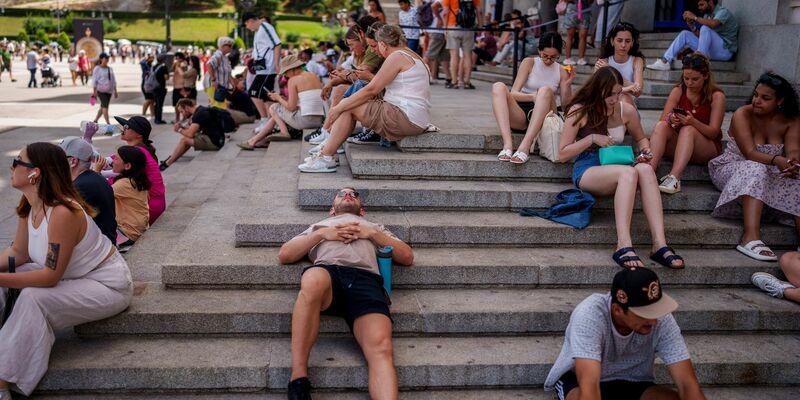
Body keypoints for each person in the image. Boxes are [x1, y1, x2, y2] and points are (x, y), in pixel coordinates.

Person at [0, 142, 132, 398]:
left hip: (106, 285)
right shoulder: (30, 204)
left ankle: (3, 380)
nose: (11, 166)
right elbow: (18, 253)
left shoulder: (62, 212)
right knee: (9, 283)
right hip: (74, 277)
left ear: (34, 173)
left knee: (32, 296)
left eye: (18, 161)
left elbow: (50, 277)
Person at [278, 187, 414, 400]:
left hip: (365, 280)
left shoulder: (374, 227)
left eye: (354, 194)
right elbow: (285, 254)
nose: (348, 195)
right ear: (332, 210)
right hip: (327, 276)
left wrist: (373, 234)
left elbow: (407, 256)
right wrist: (322, 234)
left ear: (362, 211)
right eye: (342, 194)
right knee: (312, 279)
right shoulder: (319, 226)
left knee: (382, 346)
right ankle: (298, 378)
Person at [558, 67, 685, 269]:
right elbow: (562, 153)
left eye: (618, 92)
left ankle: (659, 244)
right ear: (597, 90)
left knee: (645, 169)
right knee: (629, 172)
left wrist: (646, 151)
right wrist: (591, 138)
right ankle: (623, 245)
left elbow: (641, 138)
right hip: (589, 167)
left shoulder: (626, 110)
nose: (615, 98)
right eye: (610, 93)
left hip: (619, 164)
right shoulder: (579, 110)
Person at [544, 267, 706, 400]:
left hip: (635, 382)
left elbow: (687, 384)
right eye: (645, 314)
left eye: (655, 310)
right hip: (581, 381)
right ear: (617, 309)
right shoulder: (589, 315)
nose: (654, 321)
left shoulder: (662, 319)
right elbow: (589, 388)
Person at [299, 25, 432, 173]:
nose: (374, 51)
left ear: (382, 44)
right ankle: (328, 151)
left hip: (406, 117)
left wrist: (338, 108)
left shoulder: (397, 56)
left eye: (375, 46)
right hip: (414, 117)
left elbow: (372, 89)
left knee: (348, 107)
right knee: (348, 104)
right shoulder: (411, 54)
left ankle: (327, 156)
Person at [708, 72, 800, 262]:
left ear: (780, 101)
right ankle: (750, 237)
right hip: (734, 167)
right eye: (756, 95)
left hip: (770, 171)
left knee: (797, 176)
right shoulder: (743, 113)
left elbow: (793, 150)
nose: (757, 100)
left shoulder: (791, 121)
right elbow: (750, 153)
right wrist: (777, 160)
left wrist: (792, 163)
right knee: (755, 167)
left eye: (765, 98)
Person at [648, 53, 726, 194]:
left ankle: (674, 178)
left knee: (688, 129)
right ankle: (648, 171)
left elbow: (713, 132)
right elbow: (662, 121)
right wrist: (671, 119)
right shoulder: (678, 90)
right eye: (686, 78)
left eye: (695, 79)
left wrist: (693, 122)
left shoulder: (717, 96)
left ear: (706, 76)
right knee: (661, 126)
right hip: (680, 144)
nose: (689, 83)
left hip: (706, 147)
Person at [492, 32, 574, 164]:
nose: (548, 60)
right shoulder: (529, 62)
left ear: (559, 54)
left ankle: (524, 147)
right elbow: (514, 93)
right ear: (539, 51)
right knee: (498, 86)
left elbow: (565, 107)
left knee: (545, 90)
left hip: (547, 113)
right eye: (545, 56)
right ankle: (507, 145)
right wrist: (533, 97)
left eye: (553, 57)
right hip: (522, 111)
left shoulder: (561, 71)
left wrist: (568, 85)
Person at [312, 20, 385, 146]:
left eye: (351, 44)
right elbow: (355, 74)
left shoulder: (372, 51)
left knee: (343, 94)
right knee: (342, 91)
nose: (350, 49)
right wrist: (332, 82)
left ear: (361, 35)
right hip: (379, 92)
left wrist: (342, 75)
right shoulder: (367, 51)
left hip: (383, 95)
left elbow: (359, 75)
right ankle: (328, 131)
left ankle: (330, 134)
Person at [239, 55, 324, 149]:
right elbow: (304, 101)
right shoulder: (313, 76)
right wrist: (283, 99)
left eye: (285, 72)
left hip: (305, 121)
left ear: (292, 69)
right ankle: (253, 141)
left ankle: (283, 133)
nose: (285, 76)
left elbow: (292, 108)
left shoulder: (293, 80)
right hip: (317, 120)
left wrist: (278, 98)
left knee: (273, 107)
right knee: (277, 113)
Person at [647, 0, 738, 71]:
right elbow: (703, 37)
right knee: (685, 34)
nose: (699, 8)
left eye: (702, 4)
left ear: (710, 2)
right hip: (712, 51)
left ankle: (698, 60)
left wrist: (695, 17)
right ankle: (665, 61)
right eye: (699, 5)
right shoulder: (707, 16)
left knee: (705, 28)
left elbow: (713, 24)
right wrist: (692, 26)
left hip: (726, 52)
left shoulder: (723, 12)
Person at [59, 136, 117, 246]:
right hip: (103, 245)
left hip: (97, 252)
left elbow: (65, 227)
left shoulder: (81, 187)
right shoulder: (91, 178)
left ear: (73, 161)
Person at [113, 116, 166, 225]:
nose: (123, 128)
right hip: (154, 204)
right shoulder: (141, 149)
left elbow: (107, 163)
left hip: (149, 207)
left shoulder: (136, 151)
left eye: (127, 126)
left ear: (139, 135)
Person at [159, 98, 226, 171]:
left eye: (182, 111)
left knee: (185, 140)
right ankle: (173, 157)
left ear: (187, 108)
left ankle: (168, 163)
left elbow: (190, 134)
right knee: (187, 138)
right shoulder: (200, 109)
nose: (182, 114)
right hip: (218, 139)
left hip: (214, 142)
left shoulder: (198, 115)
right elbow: (193, 130)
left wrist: (179, 129)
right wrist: (182, 127)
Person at [243, 12, 282, 131]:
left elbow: (277, 44)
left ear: (250, 21)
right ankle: (271, 122)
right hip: (262, 68)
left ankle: (266, 120)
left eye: (246, 24)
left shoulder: (265, 27)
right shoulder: (259, 30)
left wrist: (275, 64)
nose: (247, 28)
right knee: (266, 97)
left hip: (268, 68)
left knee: (253, 93)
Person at [593, 22, 644, 108]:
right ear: (612, 41)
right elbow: (598, 90)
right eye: (619, 40)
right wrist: (627, 88)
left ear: (632, 43)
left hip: (628, 105)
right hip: (606, 103)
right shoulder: (603, 61)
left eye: (627, 41)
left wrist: (610, 70)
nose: (623, 45)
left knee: (624, 97)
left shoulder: (637, 60)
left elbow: (638, 91)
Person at [109, 146, 151, 251]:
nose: (113, 161)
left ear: (127, 166)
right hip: (137, 230)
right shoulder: (135, 181)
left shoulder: (124, 184)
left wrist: (96, 171)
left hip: (127, 234)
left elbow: (99, 195)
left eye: (117, 159)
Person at [442, 0, 480, 89]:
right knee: (468, 56)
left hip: (453, 27)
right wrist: (480, 25)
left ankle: (454, 81)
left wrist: (445, 27)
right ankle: (467, 81)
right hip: (468, 28)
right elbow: (479, 11)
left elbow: (445, 12)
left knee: (454, 56)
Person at [423, 0, 451, 84]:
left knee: (444, 56)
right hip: (438, 31)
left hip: (442, 31)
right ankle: (419, 75)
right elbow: (433, 6)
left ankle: (448, 77)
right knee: (429, 55)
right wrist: (439, 18)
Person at [204, 37, 235, 110]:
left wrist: (231, 82)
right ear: (222, 45)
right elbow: (209, 64)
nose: (231, 48)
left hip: (219, 86)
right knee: (217, 106)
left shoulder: (224, 57)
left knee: (219, 105)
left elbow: (226, 72)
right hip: (215, 86)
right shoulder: (218, 55)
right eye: (229, 46)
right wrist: (213, 80)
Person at [563, 0, 593, 66]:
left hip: (584, 10)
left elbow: (591, 1)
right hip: (572, 10)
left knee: (583, 35)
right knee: (570, 35)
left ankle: (581, 59)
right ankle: (567, 58)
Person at [92, 53, 118, 125]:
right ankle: (108, 124)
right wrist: (94, 92)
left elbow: (113, 80)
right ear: (101, 59)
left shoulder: (110, 69)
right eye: (105, 58)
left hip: (109, 90)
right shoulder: (97, 68)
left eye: (107, 58)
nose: (107, 59)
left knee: (103, 106)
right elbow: (94, 80)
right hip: (101, 90)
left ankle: (96, 120)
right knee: (105, 106)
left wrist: (115, 90)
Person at [151, 54, 170, 124]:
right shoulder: (164, 67)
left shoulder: (154, 66)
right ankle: (159, 119)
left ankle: (156, 118)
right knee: (160, 104)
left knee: (156, 103)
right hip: (161, 87)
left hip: (154, 87)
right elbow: (166, 78)